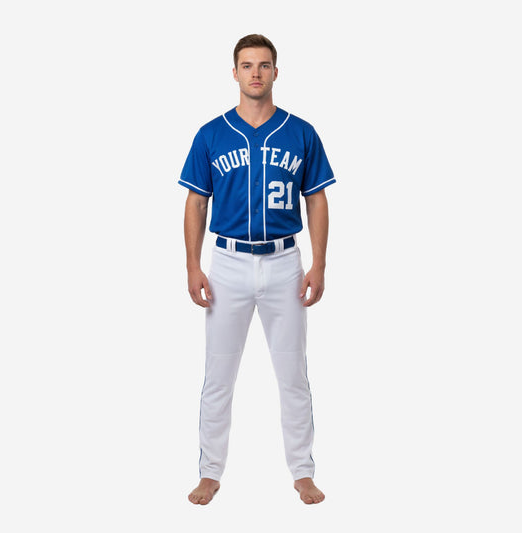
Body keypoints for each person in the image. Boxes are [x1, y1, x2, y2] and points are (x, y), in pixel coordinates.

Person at [179, 34, 335, 505]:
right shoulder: (211, 134)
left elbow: (317, 199)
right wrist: (192, 265)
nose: (255, 73)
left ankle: (303, 472)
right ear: (234, 73)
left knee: (293, 374)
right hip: (227, 263)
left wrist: (319, 263)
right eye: (247, 65)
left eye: (264, 65)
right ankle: (210, 472)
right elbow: (196, 202)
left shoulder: (300, 132)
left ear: (275, 72)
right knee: (218, 375)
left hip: (285, 262)